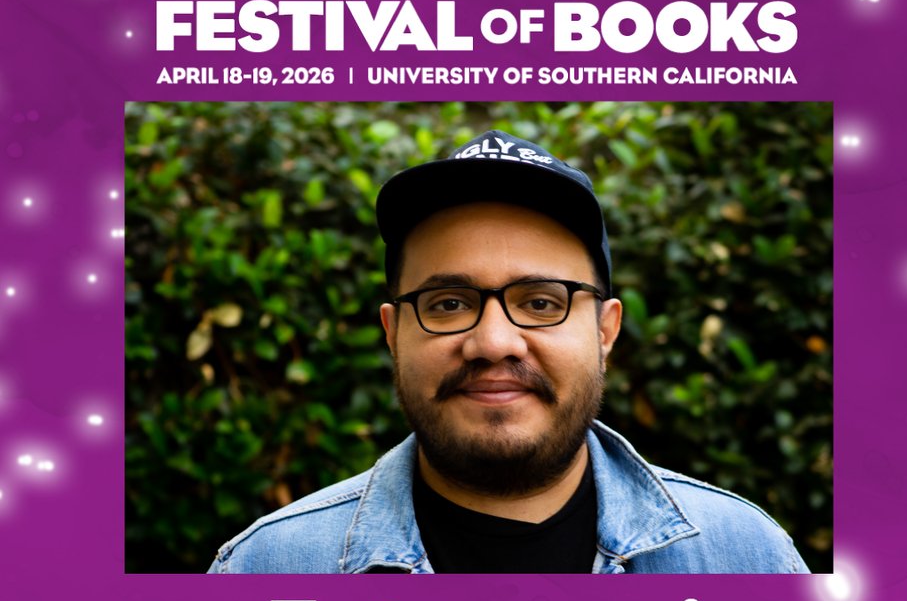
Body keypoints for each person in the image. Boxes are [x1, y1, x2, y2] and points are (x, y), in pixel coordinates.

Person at [208, 130, 809, 574]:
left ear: (605, 330)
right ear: (394, 334)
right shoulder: (266, 571)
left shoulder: (745, 558)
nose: (493, 342)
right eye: (447, 303)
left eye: (542, 302)